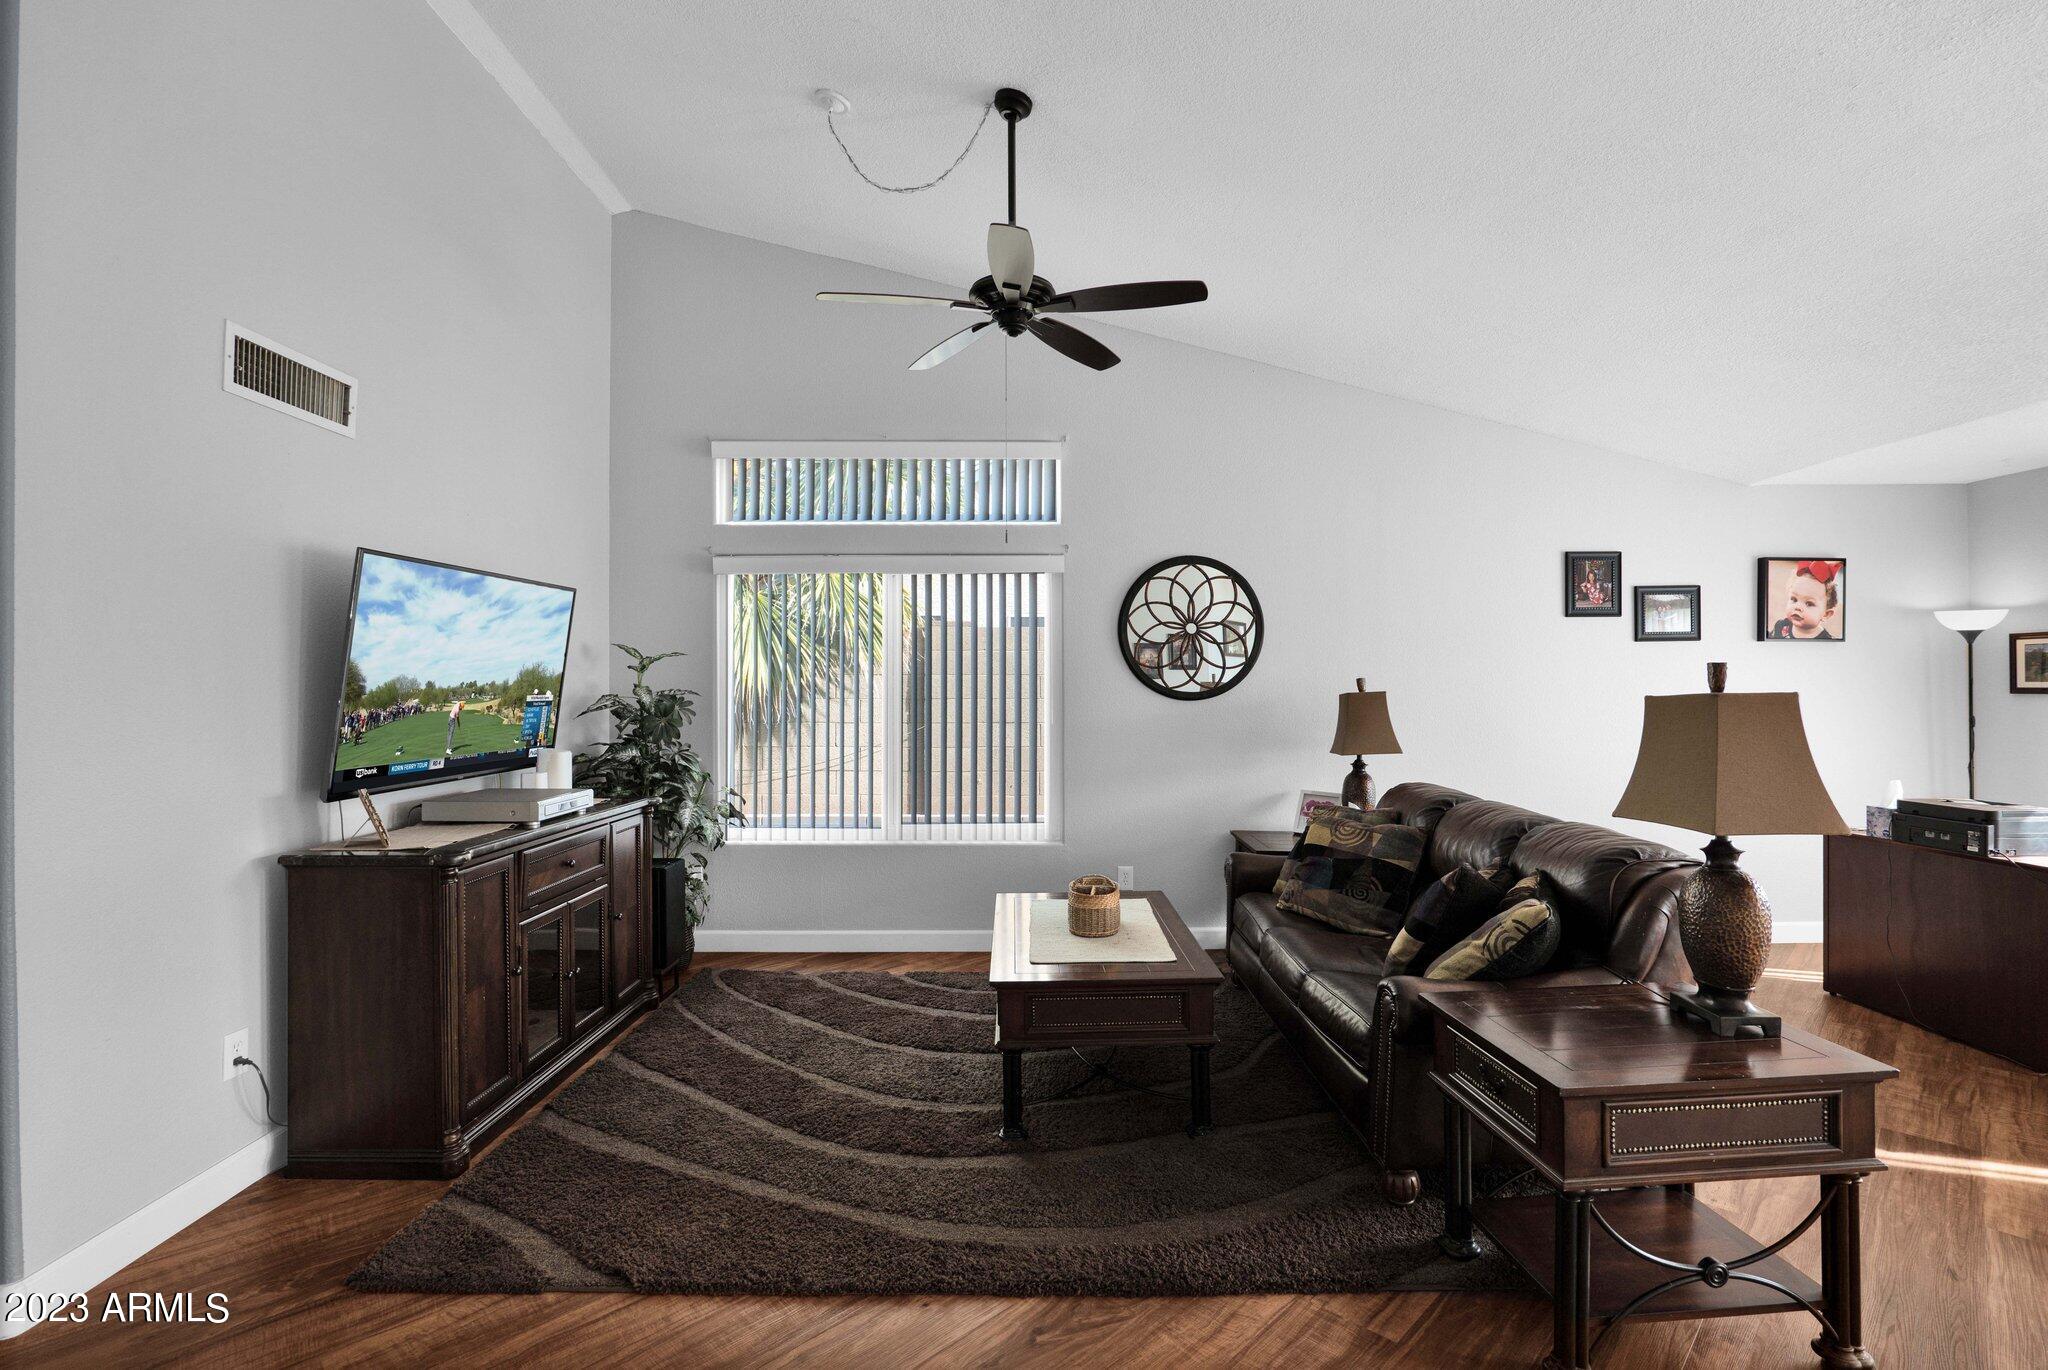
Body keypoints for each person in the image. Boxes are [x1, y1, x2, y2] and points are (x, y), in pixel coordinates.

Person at [1768, 560, 1842, 639]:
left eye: (1809, 603)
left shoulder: (1826, 641)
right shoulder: (1781, 626)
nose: (1798, 607)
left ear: (1825, 614)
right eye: (1794, 599)